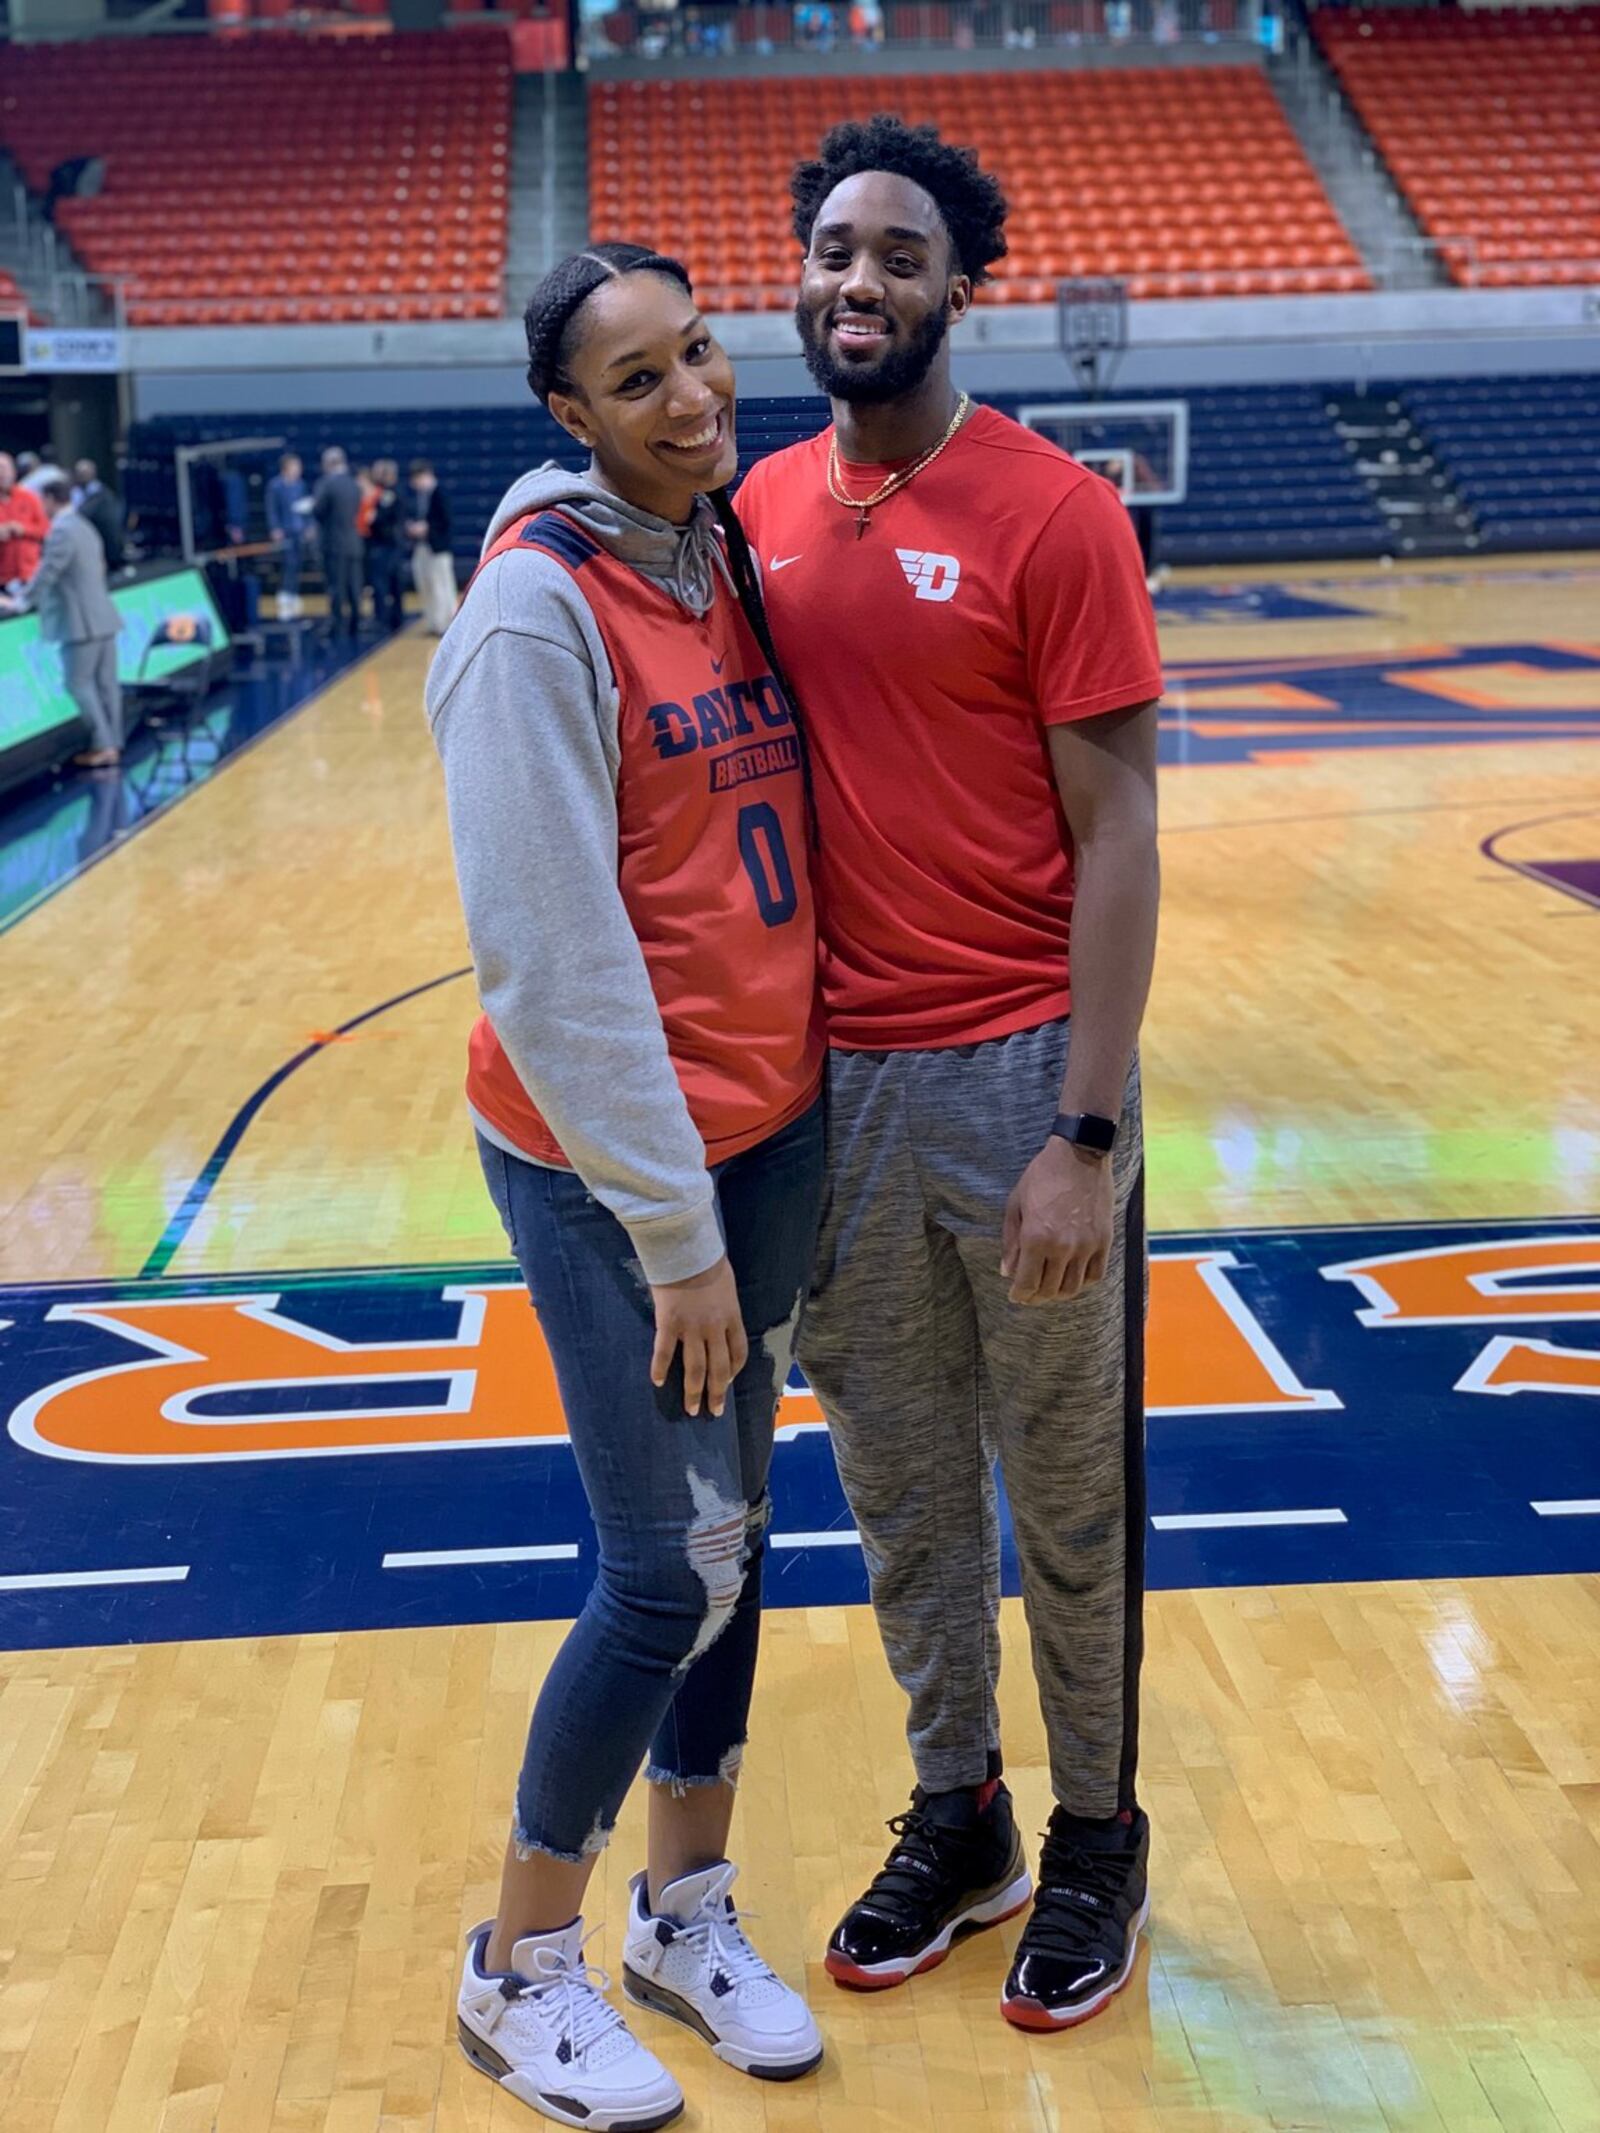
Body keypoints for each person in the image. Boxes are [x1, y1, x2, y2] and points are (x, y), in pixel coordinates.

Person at [736, 115, 1163, 2033]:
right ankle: (962, 1808)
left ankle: (1097, 1832)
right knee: (903, 1496)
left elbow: (1126, 826)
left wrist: (1085, 1124)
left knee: (1065, 1492)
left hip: (1019, 1082)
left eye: (901, 252)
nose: (860, 279)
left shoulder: (1057, 512)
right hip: (839, 1095)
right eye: (835, 247)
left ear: (961, 284)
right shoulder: (747, 512)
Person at [427, 243, 826, 2129]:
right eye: (640, 377)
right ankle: (517, 1966)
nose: (695, 393)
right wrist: (672, 1233)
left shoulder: (718, 546)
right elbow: (554, 961)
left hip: (761, 1136)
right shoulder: (534, 614)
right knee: (662, 1567)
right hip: (614, 1169)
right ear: (568, 415)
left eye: (702, 350)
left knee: (740, 1534)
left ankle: (687, 1909)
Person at [23, 478, 124, 769]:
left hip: (81, 622)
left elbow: (48, 573)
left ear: (51, 500)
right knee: (107, 685)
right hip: (103, 615)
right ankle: (113, 743)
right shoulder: (85, 527)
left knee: (77, 682)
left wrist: (22, 601)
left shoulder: (63, 531)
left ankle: (103, 745)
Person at [312, 446, 364, 636]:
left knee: (336, 585)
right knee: (354, 585)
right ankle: (356, 620)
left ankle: (337, 622)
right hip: (353, 541)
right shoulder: (354, 484)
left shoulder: (327, 484)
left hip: (333, 543)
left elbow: (318, 511)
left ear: (329, 463)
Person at [406, 459, 456, 635]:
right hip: (422, 547)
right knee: (425, 585)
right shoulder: (420, 497)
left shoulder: (440, 493)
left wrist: (427, 528)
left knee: (441, 585)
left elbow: (446, 521)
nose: (415, 484)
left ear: (426, 475)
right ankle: (432, 622)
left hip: (438, 547)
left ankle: (445, 624)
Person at [265, 451, 312, 619]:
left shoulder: (301, 484)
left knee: (298, 563)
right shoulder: (275, 485)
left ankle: (293, 593)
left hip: (299, 529)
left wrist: (309, 526)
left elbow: (307, 507)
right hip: (285, 530)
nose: (298, 469)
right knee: (289, 562)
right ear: (286, 467)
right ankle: (285, 594)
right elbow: (272, 509)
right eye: (295, 466)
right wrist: (275, 528)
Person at [363, 456, 406, 632]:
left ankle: (382, 618)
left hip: (386, 543)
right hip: (393, 543)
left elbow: (379, 517)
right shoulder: (396, 491)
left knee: (381, 582)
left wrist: (373, 518)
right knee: (393, 582)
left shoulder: (388, 493)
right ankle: (395, 617)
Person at [0, 451, 49, 587]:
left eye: (5, 469)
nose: (2, 474)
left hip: (31, 575)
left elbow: (45, 530)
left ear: (13, 472)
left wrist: (23, 529)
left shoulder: (29, 498)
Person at [72, 459, 126, 573]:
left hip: (101, 531)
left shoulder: (102, 493)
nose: (82, 476)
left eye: (85, 473)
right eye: (80, 473)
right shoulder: (73, 492)